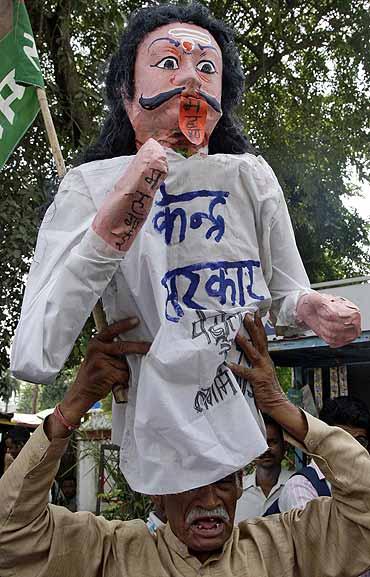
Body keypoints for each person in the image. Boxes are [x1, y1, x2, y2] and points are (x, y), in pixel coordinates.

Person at [11, 3, 361, 495]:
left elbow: (285, 293)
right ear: (126, 92)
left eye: (206, 67)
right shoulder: (88, 187)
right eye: (169, 63)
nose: (191, 81)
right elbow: (34, 354)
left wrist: (312, 307)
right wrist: (110, 231)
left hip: (239, 427)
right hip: (154, 439)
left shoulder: (249, 176)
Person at [2, 314, 370, 577]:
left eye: (223, 481)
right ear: (158, 494)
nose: (210, 502)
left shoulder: (282, 546)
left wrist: (280, 407)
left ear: (239, 486)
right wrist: (74, 405)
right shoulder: (111, 553)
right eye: (191, 482)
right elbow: (10, 532)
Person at [277, 395, 370, 513]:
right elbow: (313, 530)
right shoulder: (301, 486)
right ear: (323, 439)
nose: (352, 449)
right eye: (343, 440)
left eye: (360, 441)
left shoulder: (364, 481)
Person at [235, 413, 291, 522]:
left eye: (272, 442)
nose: (266, 449)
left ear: (285, 445)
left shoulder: (296, 485)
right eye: (260, 442)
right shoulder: (238, 491)